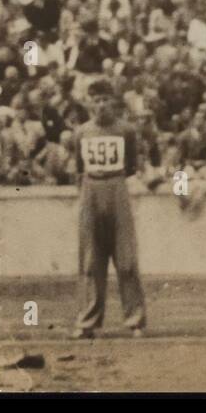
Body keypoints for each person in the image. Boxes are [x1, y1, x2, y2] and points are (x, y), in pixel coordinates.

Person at [72, 81, 147, 339]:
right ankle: (88, 322)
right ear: (90, 103)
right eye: (96, 100)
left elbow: (131, 166)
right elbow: (79, 167)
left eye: (105, 99)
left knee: (126, 259)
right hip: (90, 188)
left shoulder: (126, 130)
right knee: (91, 260)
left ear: (113, 102)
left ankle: (135, 320)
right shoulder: (82, 132)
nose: (101, 105)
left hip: (116, 186)